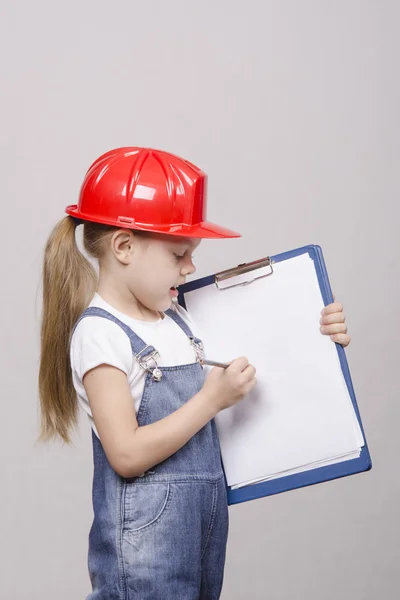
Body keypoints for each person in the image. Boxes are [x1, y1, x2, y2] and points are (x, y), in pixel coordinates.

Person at [37, 146, 257, 599]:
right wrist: (210, 400)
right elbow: (127, 454)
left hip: (201, 542)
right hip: (144, 558)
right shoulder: (101, 335)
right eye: (179, 253)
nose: (191, 266)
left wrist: (319, 328)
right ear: (124, 246)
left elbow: (259, 360)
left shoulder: (178, 317)